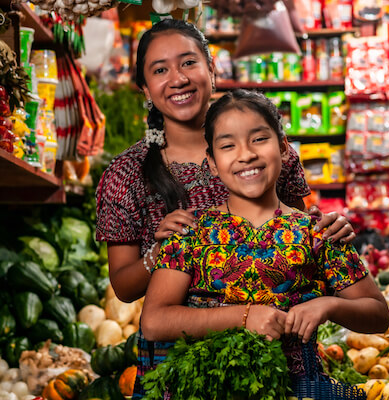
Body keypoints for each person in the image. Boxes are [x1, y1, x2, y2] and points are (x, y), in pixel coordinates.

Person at [95, 19, 356, 398]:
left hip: (274, 356)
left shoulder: (263, 155)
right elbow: (123, 288)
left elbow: (297, 238)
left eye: (188, 63)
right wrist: (157, 253)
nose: (178, 78)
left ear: (211, 68)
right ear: (146, 89)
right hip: (181, 360)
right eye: (160, 70)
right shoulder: (127, 173)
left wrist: (331, 232)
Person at [141, 89, 389, 399]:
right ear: (213, 162)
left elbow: (379, 315)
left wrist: (330, 305)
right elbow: (154, 321)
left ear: (284, 148)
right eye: (228, 145)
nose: (246, 154)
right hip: (205, 390)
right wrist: (245, 317)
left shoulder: (317, 232)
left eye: (259, 139)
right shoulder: (191, 233)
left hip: (295, 391)